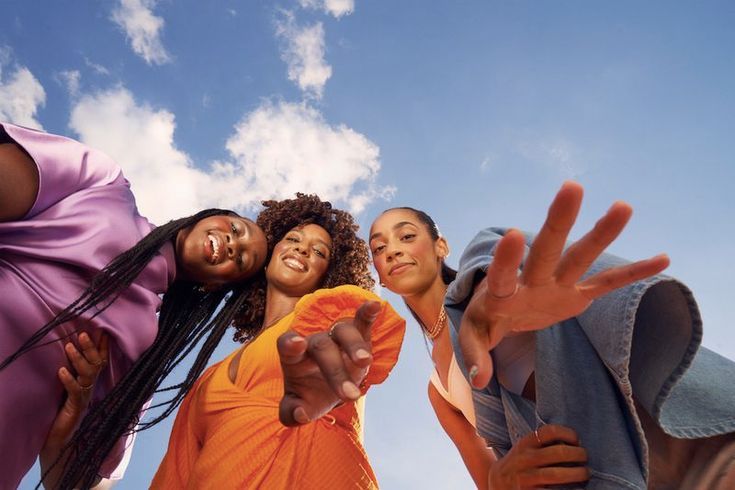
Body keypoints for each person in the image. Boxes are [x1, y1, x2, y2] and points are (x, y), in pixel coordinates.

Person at [281, 182, 735, 488]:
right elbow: (491, 480)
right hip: (600, 474)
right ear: (378, 273)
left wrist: (483, 313)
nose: (392, 250)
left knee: (492, 240)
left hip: (692, 432)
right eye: (379, 248)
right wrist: (506, 476)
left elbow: (496, 281)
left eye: (406, 235)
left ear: (439, 246)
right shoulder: (439, 392)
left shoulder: (490, 279)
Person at [0, 121, 269, 489]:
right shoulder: (105, 185)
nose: (234, 245)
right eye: (237, 229)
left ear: (213, 284)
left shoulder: (144, 349)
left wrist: (71, 420)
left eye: (240, 263)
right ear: (211, 215)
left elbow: (83, 483)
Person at [152, 194, 406, 489]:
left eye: (320, 252)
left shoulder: (326, 319)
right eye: (293, 238)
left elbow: (362, 321)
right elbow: (174, 475)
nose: (303, 248)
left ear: (329, 276)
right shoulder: (206, 380)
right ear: (269, 254)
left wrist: (347, 355)